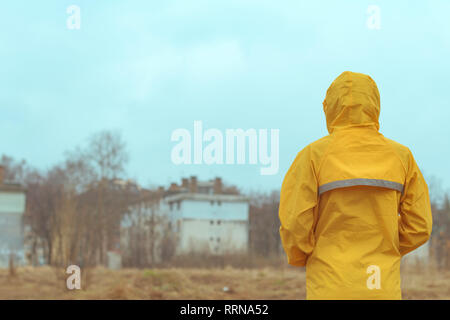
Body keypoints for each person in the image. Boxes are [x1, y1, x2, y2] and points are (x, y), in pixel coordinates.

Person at [278, 71, 432, 300]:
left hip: (329, 286)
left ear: (330, 107)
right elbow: (419, 226)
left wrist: (301, 256)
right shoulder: (401, 156)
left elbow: (295, 224)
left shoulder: (312, 156)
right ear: (374, 105)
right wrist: (385, 249)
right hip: (381, 285)